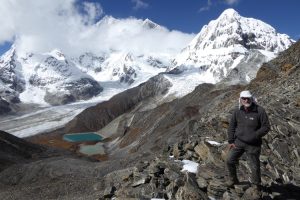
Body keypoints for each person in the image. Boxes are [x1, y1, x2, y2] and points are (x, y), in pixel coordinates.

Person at [226, 90, 270, 195]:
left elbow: (266, 127)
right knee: (229, 160)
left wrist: (255, 135)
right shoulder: (237, 111)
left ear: (252, 98)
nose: (246, 100)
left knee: (254, 166)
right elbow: (231, 126)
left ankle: (256, 186)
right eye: (243, 98)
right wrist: (231, 140)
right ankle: (233, 179)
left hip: (253, 145)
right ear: (240, 99)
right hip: (238, 142)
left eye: (248, 98)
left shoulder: (260, 111)